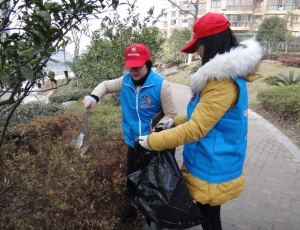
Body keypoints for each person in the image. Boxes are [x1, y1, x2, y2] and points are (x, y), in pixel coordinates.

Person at [138, 12, 263, 230]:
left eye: (199, 46)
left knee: (210, 220)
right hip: (212, 160)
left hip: (213, 166)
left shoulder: (221, 82)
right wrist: (174, 121)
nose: (197, 52)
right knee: (208, 216)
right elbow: (205, 115)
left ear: (211, 42)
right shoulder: (222, 78)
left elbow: (197, 128)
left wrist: (152, 142)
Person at [82, 43, 178, 224]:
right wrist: (94, 96)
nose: (134, 71)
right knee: (132, 178)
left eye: (138, 66)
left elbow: (172, 114)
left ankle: (156, 216)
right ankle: (132, 209)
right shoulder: (125, 81)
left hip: (153, 143)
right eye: (131, 66)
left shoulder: (160, 85)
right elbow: (105, 85)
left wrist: (158, 130)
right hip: (133, 143)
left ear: (147, 64)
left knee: (156, 182)